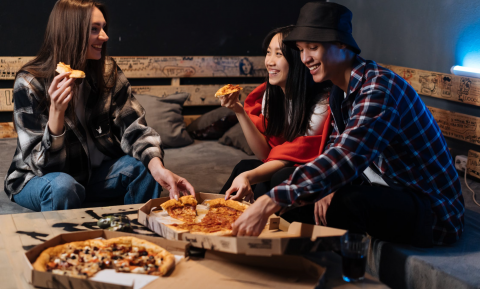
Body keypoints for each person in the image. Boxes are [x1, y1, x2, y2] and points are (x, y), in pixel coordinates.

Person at [232, 2, 464, 247]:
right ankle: (280, 259)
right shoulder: (339, 93)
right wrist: (329, 185)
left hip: (432, 211)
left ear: (342, 44)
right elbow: (334, 148)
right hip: (384, 187)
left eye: (313, 47)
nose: (305, 58)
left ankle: (338, 275)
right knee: (287, 179)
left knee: (346, 202)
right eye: (300, 49)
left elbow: (347, 156)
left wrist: (269, 202)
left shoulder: (378, 88)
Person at [4, 0, 194, 212]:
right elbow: (42, 166)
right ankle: (66, 244)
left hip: (93, 176)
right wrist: (57, 114)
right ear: (71, 32)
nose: (105, 36)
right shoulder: (30, 83)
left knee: (146, 167)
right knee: (63, 187)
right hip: (38, 177)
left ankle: (135, 238)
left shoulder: (107, 71)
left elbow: (134, 127)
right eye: (95, 29)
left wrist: (157, 167)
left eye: (104, 28)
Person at [219, 26, 332, 224]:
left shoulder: (322, 105)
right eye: (268, 53)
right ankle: (215, 217)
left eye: (278, 54)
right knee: (244, 165)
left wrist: (249, 177)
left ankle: (257, 233)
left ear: (299, 60)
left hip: (320, 173)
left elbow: (292, 158)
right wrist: (238, 110)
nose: (269, 61)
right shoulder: (271, 96)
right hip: (290, 167)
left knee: (277, 177)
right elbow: (265, 154)